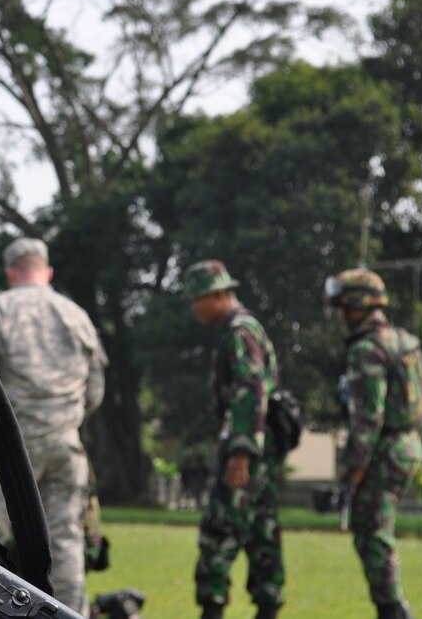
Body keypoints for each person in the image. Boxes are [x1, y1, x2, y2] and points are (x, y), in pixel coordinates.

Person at [0, 237, 107, 613]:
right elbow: (94, 393)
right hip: (66, 448)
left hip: (10, 449)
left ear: (11, 272)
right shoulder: (77, 316)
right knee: (65, 543)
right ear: (48, 271)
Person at [325, 268, 422, 619]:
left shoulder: (367, 349)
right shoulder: (405, 341)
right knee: (375, 531)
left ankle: (394, 611)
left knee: (371, 533)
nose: (340, 315)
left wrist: (353, 469)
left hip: (382, 452)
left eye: (343, 307)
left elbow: (367, 419)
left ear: (357, 305)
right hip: (408, 445)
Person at [184, 260, 284, 619]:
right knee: (261, 532)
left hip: (245, 448)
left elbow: (250, 389)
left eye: (198, 298)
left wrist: (240, 451)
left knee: (219, 531)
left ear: (219, 295)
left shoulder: (239, 331)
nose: (194, 307)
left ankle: (212, 609)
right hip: (261, 448)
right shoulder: (245, 328)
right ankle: (267, 608)